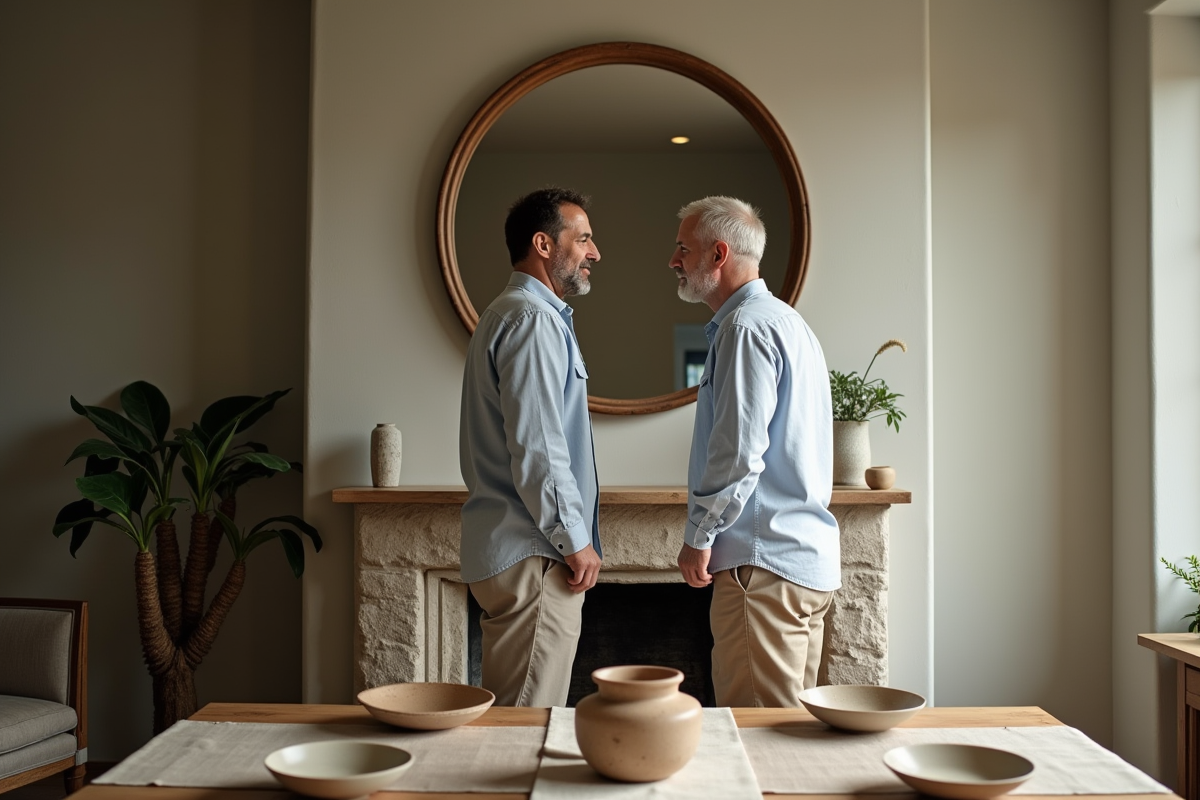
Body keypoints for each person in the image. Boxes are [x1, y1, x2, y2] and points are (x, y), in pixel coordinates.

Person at [670, 195, 840, 707]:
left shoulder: (744, 329)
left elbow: (739, 453)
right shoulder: (790, 324)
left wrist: (699, 535)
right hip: (803, 565)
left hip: (762, 568)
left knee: (755, 739)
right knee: (789, 736)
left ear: (718, 254)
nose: (673, 261)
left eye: (683, 248)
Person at [458, 187, 604, 707]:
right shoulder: (533, 320)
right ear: (543, 244)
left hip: (516, 549)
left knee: (515, 717)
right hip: (537, 556)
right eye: (582, 238)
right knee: (525, 728)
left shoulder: (510, 314)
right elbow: (539, 447)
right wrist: (574, 539)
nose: (594, 252)